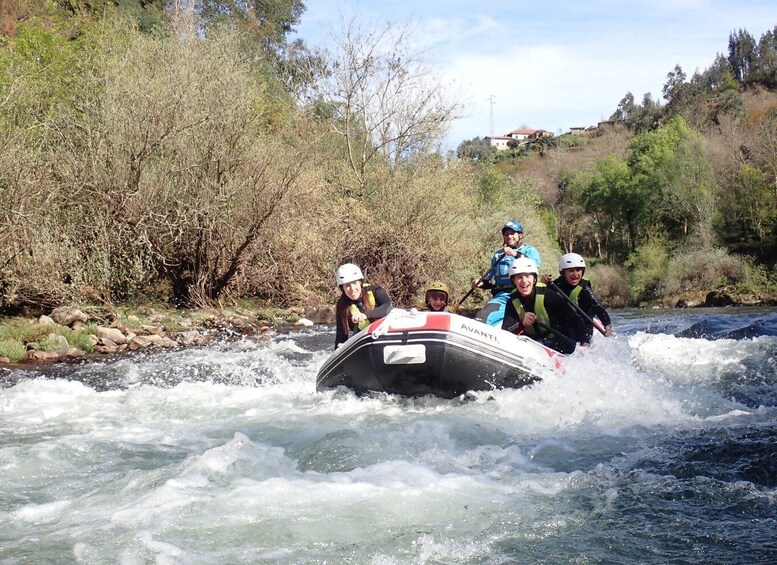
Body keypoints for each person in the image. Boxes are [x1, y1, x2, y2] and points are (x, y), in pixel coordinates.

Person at [501, 257, 588, 354]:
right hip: (533, 343)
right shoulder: (512, 302)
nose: (524, 281)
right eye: (519, 277)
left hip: (557, 343)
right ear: (514, 281)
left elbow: (576, 320)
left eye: (527, 276)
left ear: (534, 279)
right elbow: (505, 332)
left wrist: (584, 342)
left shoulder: (548, 295)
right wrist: (522, 324)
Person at [473, 220, 542, 326]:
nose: (509, 236)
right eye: (506, 234)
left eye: (512, 233)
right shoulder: (498, 255)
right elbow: (491, 281)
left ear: (520, 235)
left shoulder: (529, 251)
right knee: (482, 317)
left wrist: (515, 254)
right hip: (504, 295)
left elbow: (534, 264)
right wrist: (481, 284)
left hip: (526, 294)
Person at [541, 252, 613, 340]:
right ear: (563, 273)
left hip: (584, 326)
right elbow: (542, 298)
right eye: (571, 270)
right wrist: (544, 283)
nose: (575, 274)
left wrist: (607, 327)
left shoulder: (585, 288)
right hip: (565, 325)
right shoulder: (556, 285)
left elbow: (598, 309)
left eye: (578, 270)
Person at [334, 263, 393, 348]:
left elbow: (388, 307)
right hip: (364, 342)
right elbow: (341, 337)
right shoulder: (342, 306)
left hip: (385, 334)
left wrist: (365, 315)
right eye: (347, 285)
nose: (352, 289)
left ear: (360, 283)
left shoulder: (376, 291)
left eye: (355, 283)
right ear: (342, 288)